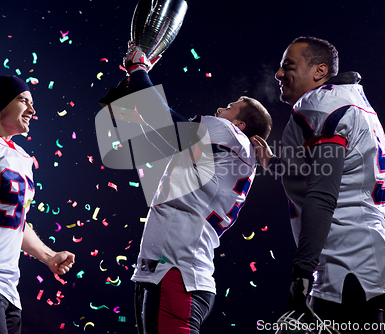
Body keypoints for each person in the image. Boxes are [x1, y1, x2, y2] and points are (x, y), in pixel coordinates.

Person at [100, 42, 272, 334]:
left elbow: (164, 120)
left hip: (177, 274)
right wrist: (127, 92)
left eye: (229, 108)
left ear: (241, 125)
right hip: (173, 271)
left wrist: (140, 69)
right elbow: (150, 129)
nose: (219, 109)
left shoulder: (229, 134)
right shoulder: (223, 155)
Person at [252, 37, 385, 333]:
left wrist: (301, 273)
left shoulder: (322, 105)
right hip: (365, 257)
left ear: (319, 71)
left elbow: (322, 193)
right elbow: (327, 171)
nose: (278, 74)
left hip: (345, 267)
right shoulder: (351, 100)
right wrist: (273, 163)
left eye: (288, 66)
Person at [0, 75, 76, 334]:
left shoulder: (23, 158)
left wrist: (49, 257)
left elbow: (16, 219)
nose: (32, 110)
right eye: (23, 100)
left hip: (9, 288)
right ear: (0, 103)